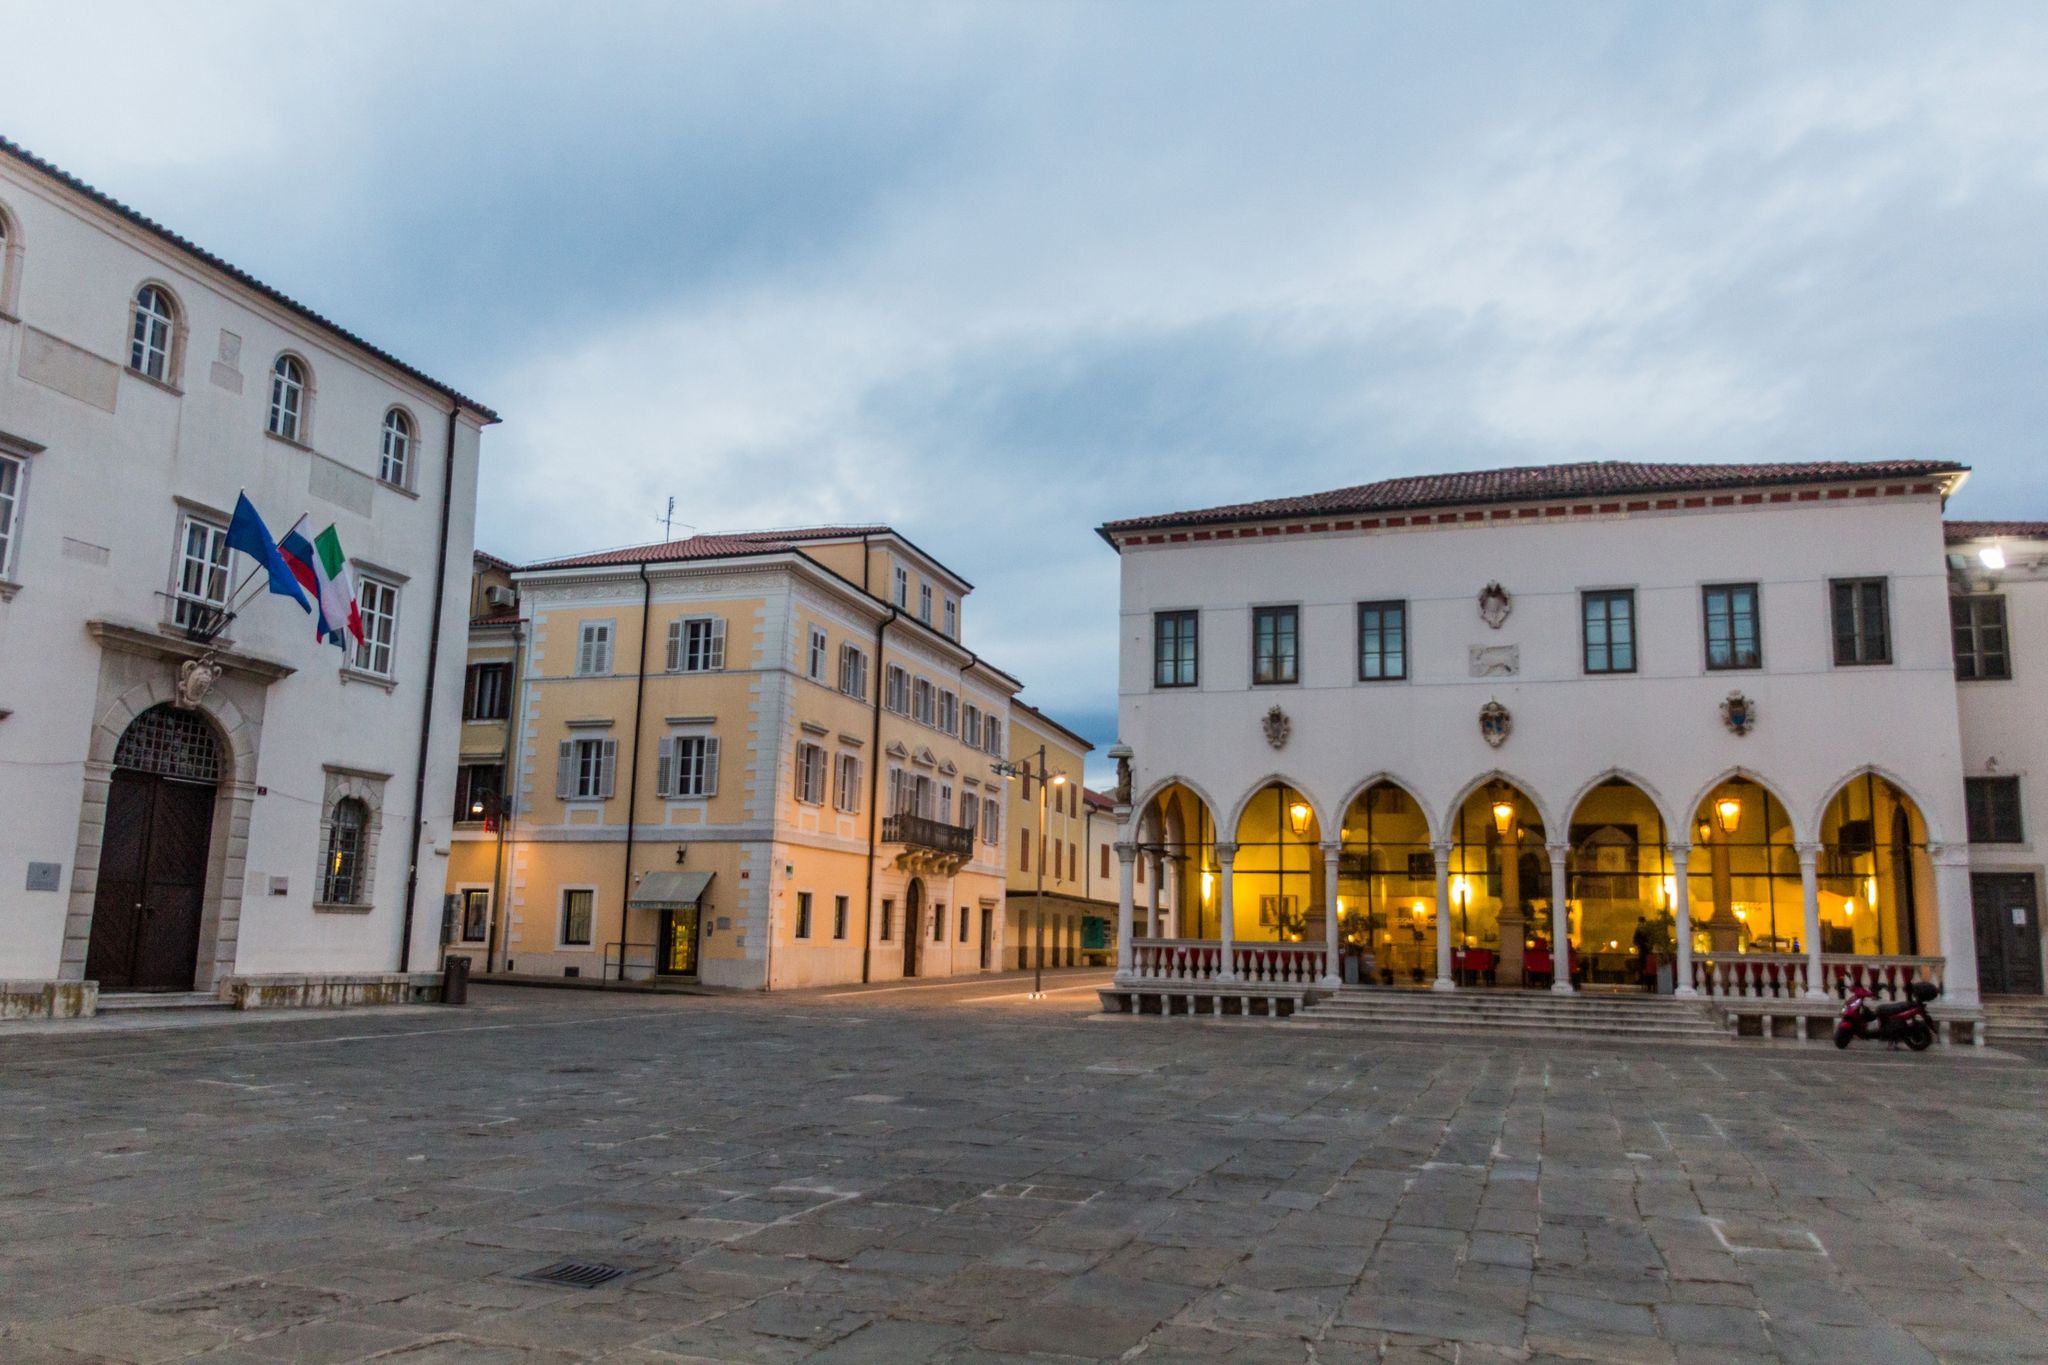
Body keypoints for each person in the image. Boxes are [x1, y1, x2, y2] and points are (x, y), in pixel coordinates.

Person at [1633, 917, 1654, 993]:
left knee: (1646, 968)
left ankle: (1648, 983)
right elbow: (1635, 940)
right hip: (1643, 952)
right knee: (1643, 967)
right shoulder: (1638, 931)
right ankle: (1644, 981)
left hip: (1647, 952)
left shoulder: (1646, 931)